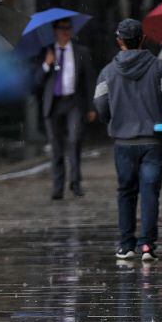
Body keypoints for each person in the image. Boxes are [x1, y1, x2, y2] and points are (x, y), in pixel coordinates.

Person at [93, 18, 162, 261]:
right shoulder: (159, 67)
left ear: (119, 41)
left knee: (126, 192)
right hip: (153, 142)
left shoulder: (107, 72)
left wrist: (114, 120)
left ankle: (126, 245)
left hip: (123, 143)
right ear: (143, 39)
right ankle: (147, 245)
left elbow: (100, 105)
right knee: (150, 192)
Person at [34, 17, 96, 199]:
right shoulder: (46, 52)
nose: (65, 31)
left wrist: (92, 107)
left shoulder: (81, 52)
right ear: (55, 31)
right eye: (62, 28)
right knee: (56, 146)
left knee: (75, 140)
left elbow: (89, 80)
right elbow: (36, 81)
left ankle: (75, 182)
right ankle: (58, 186)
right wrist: (46, 65)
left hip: (74, 103)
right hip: (53, 104)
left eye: (68, 28)